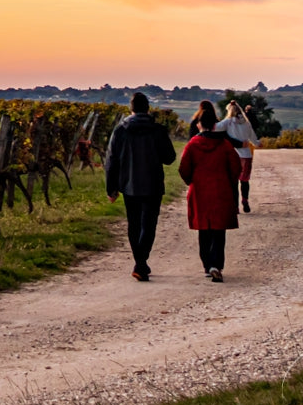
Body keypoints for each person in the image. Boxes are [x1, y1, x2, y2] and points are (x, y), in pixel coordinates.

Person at [104, 91, 176, 281]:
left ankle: (140, 262)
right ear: (148, 108)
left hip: (129, 184)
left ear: (131, 109)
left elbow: (111, 160)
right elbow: (170, 158)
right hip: (153, 184)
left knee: (134, 224)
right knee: (149, 225)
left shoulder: (120, 130)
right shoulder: (158, 130)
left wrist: (111, 188)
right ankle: (141, 262)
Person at [178, 100, 242, 282]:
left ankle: (207, 265)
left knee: (204, 230)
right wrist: (229, 182)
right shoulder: (225, 145)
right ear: (215, 125)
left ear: (199, 124)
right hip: (221, 190)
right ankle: (216, 264)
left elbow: (184, 169)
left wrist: (191, 181)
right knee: (219, 231)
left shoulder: (192, 144)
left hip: (199, 191)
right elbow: (236, 167)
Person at [216, 99, 260, 212]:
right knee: (245, 180)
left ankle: (235, 206)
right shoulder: (246, 123)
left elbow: (215, 128)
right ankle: (245, 200)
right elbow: (253, 138)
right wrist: (258, 143)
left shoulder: (228, 122)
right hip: (246, 155)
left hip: (233, 155)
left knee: (233, 182)